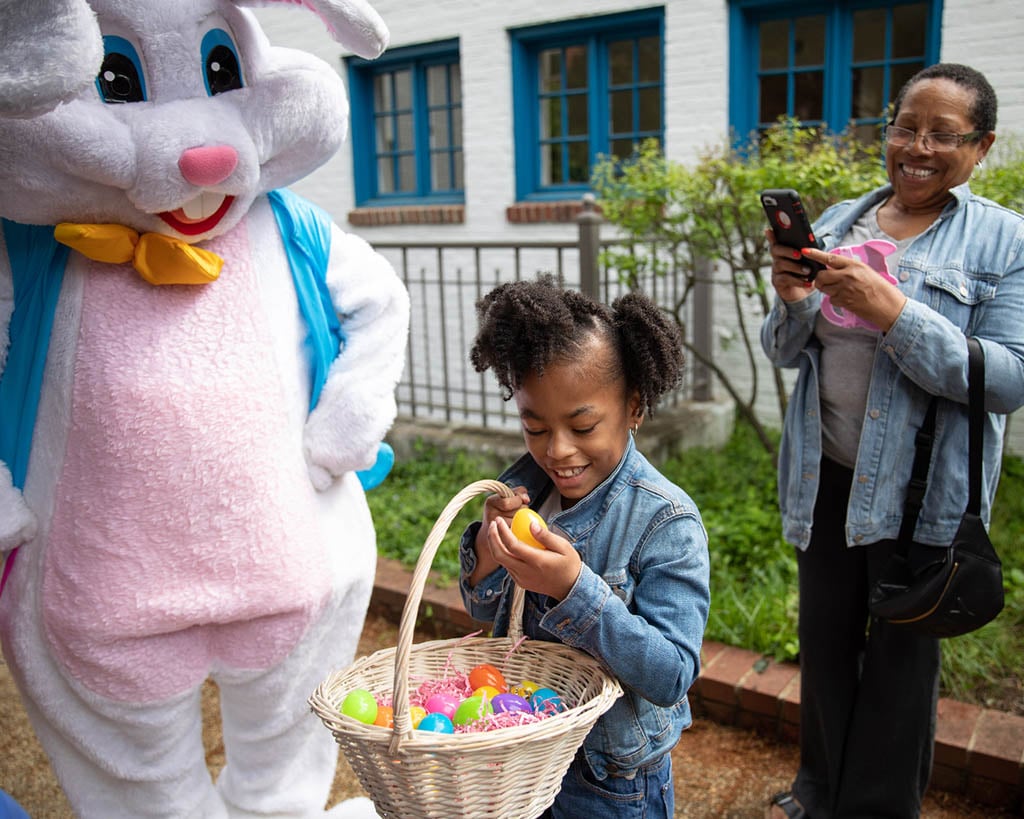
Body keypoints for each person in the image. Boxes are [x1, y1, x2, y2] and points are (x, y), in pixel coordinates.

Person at [761, 63, 1024, 819]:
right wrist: (791, 300)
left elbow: (1006, 379)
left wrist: (895, 311)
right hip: (828, 475)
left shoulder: (1005, 242)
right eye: (907, 127)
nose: (918, 146)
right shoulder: (844, 219)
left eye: (944, 134)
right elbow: (786, 350)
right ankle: (817, 793)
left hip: (921, 493)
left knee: (902, 664)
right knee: (827, 647)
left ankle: (875, 809)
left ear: (982, 147)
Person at [458, 275, 710, 819]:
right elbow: (484, 610)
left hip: (605, 782)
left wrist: (574, 591)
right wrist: (486, 548)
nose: (557, 450)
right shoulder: (526, 489)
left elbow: (671, 674)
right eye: (534, 425)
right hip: (518, 763)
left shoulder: (665, 520)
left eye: (582, 425)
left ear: (634, 407)